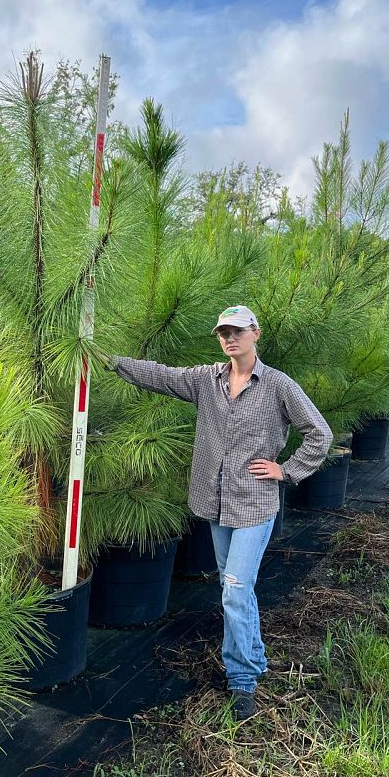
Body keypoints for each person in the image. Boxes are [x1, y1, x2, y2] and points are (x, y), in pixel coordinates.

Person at [106, 305, 332, 720]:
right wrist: (111, 361)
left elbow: (320, 433)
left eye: (237, 331)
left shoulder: (279, 386)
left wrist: (287, 469)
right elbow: (160, 375)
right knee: (235, 590)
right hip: (215, 503)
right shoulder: (206, 381)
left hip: (256, 504)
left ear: (255, 334)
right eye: (223, 332)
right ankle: (256, 657)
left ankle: (242, 680)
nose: (230, 338)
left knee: (234, 589)